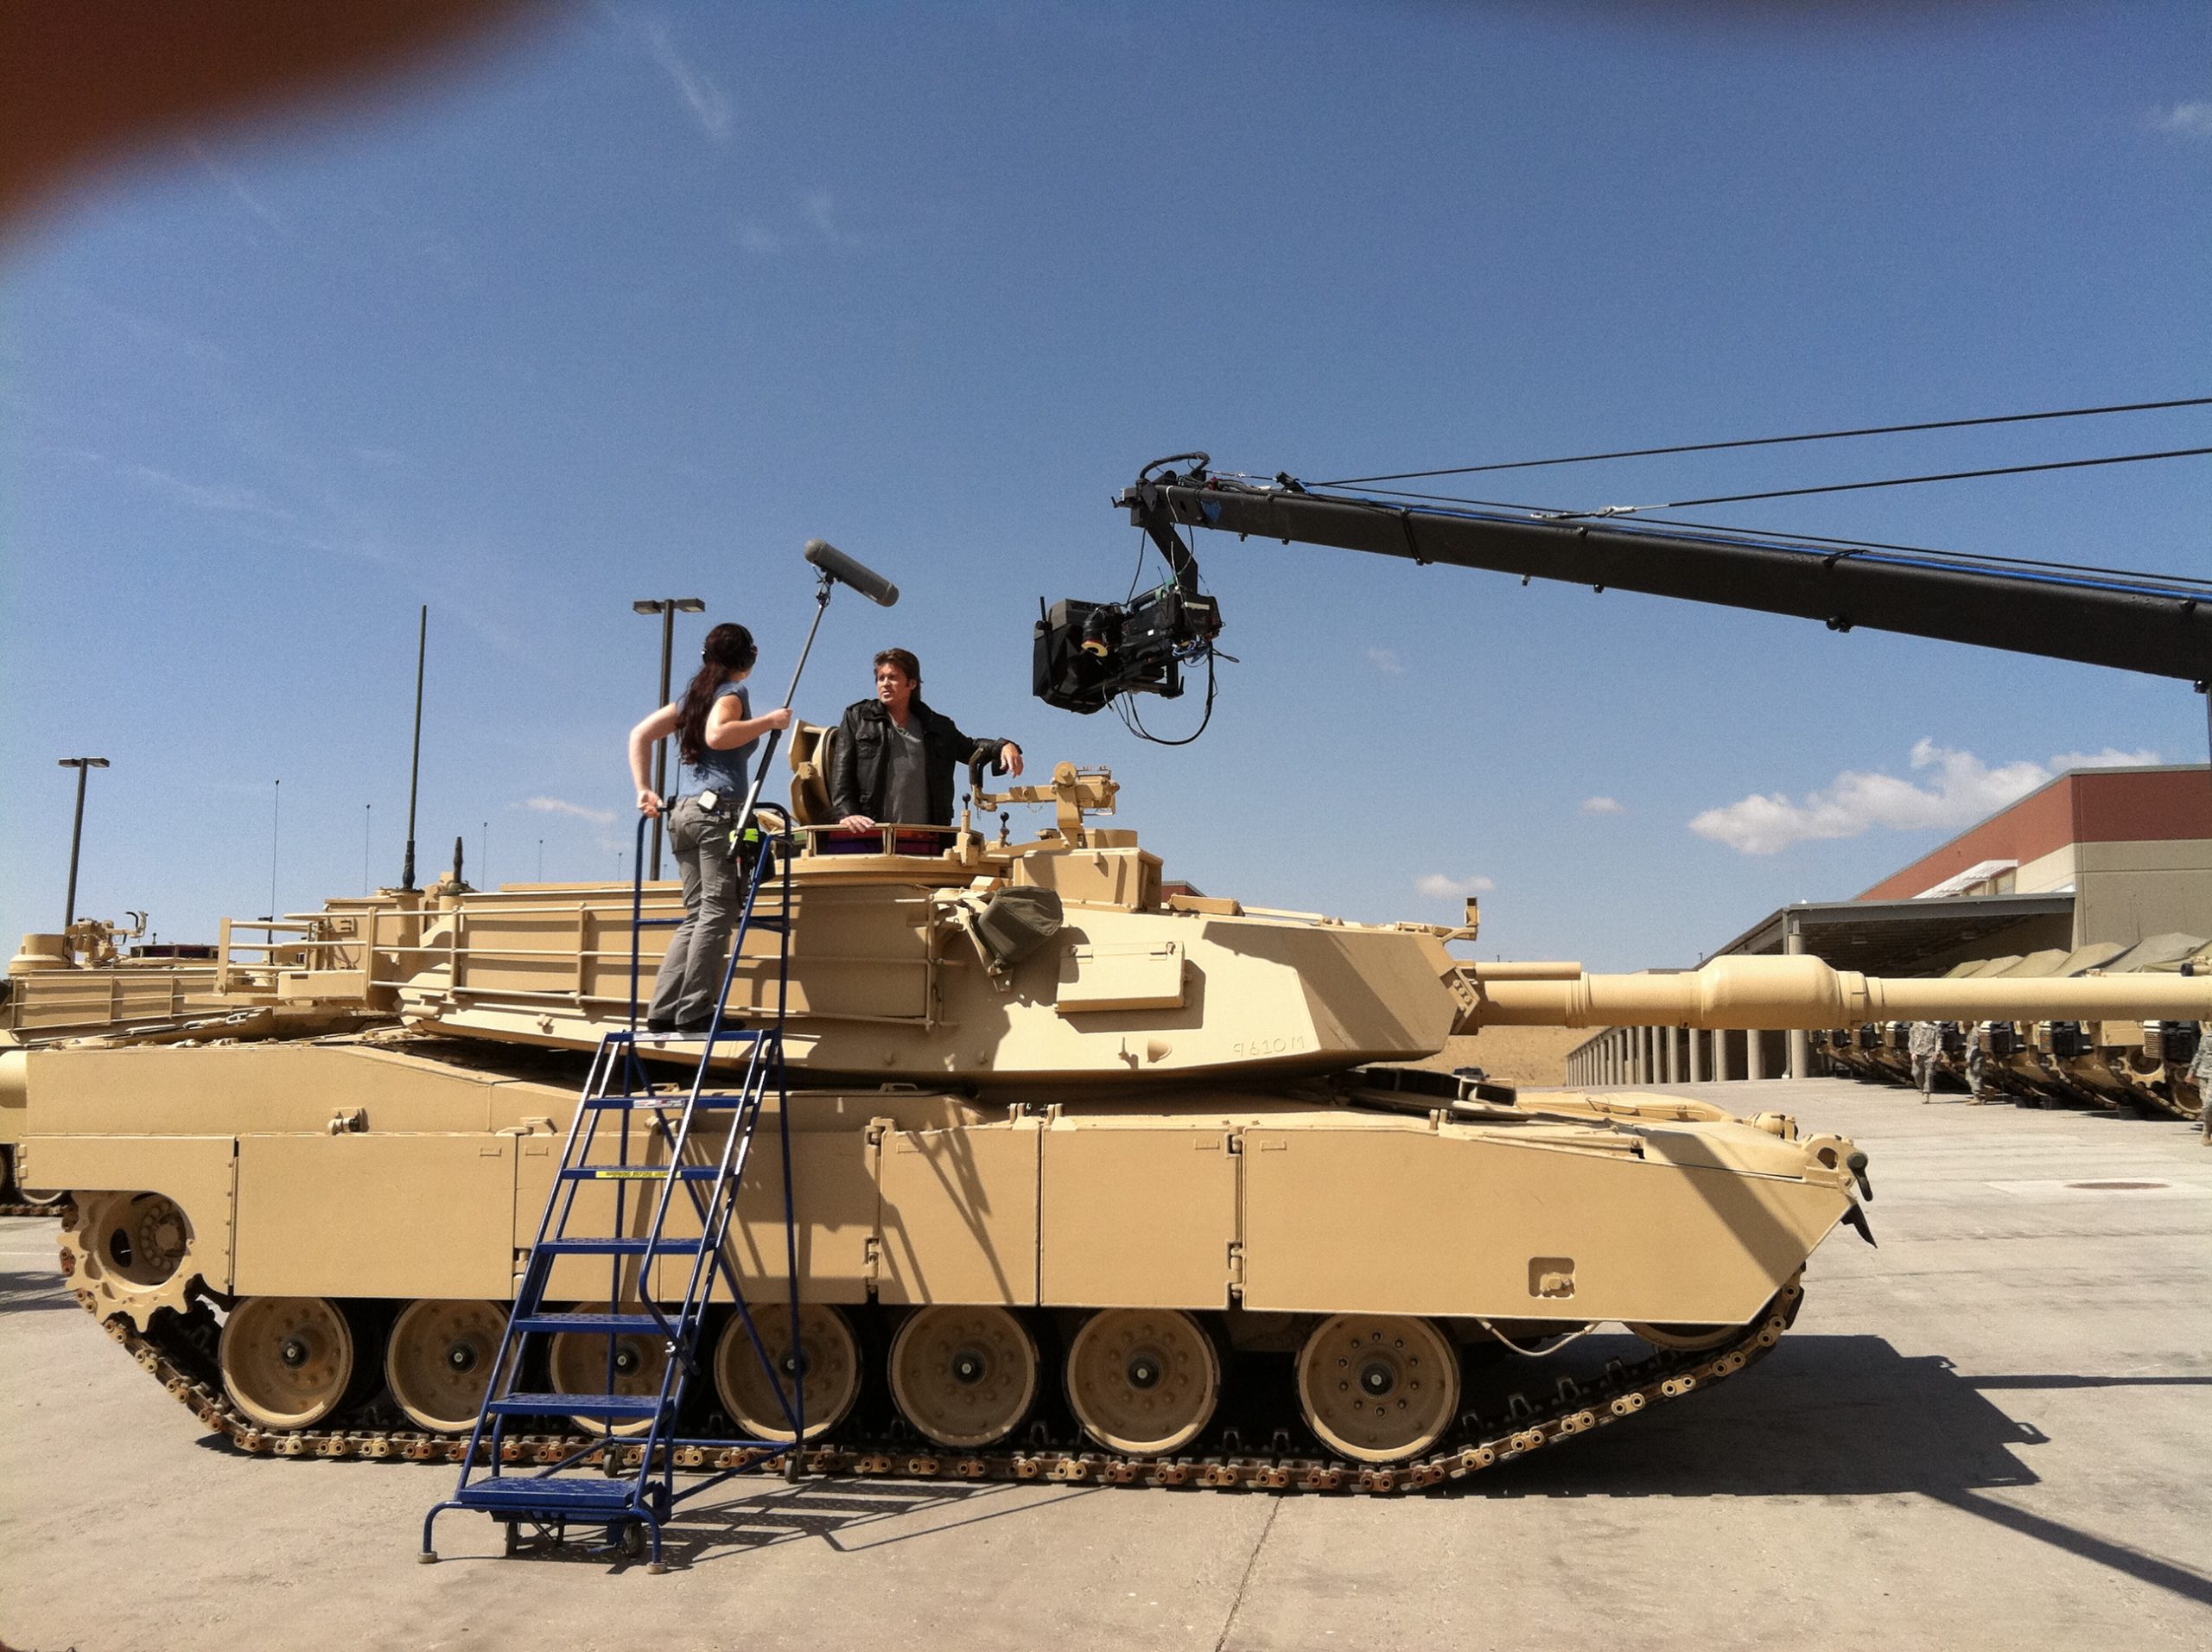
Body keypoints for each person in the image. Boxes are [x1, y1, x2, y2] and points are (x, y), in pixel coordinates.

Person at [626, 623, 791, 1034]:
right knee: (719, 910)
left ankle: (664, 1008)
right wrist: (769, 722)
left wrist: (644, 789)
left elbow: (641, 734)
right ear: (747, 657)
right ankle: (696, 1010)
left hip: (681, 813)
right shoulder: (733, 694)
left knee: (697, 913)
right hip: (718, 812)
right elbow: (718, 735)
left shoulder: (692, 697)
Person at [830, 648, 1023, 830]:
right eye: (881, 678)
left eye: (892, 677)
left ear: (912, 683)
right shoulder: (858, 717)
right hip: (873, 832)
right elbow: (841, 771)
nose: (885, 684)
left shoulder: (937, 726)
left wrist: (1004, 746)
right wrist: (847, 813)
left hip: (926, 837)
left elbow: (970, 748)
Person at [1909, 1020, 1942, 1103]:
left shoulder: (1935, 1027)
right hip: (1918, 1053)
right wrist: (1912, 1052)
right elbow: (1911, 1040)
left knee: (1929, 1075)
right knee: (1916, 1073)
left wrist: (1937, 1052)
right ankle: (1922, 1087)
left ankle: (1926, 1094)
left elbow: (1938, 1040)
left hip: (1930, 1054)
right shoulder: (1915, 1026)